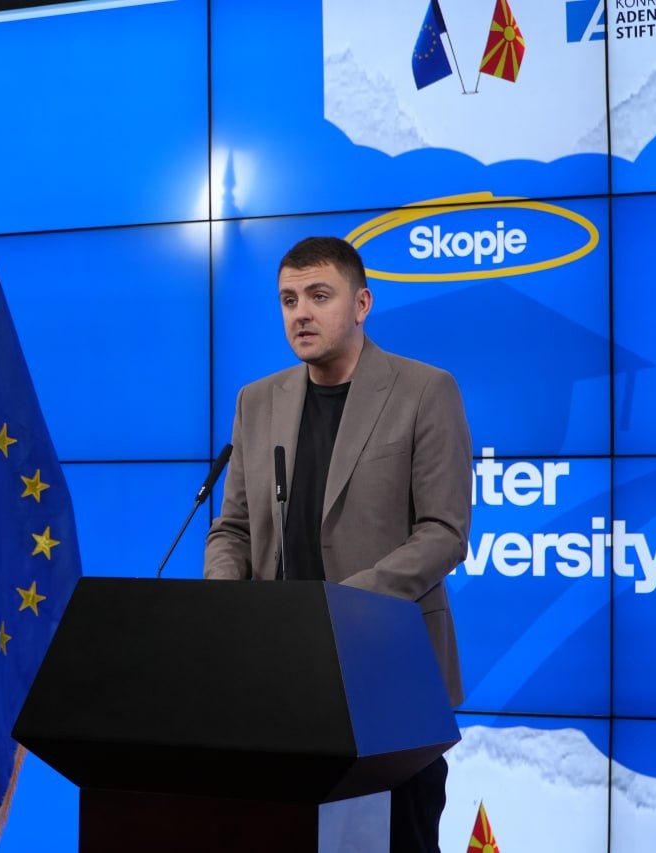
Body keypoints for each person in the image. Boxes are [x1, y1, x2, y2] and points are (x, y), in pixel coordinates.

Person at [204, 235, 471, 853]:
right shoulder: (256, 400)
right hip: (278, 676)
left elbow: (444, 531)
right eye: (289, 299)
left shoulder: (425, 390)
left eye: (319, 296)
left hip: (389, 675)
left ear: (361, 304)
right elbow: (233, 528)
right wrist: (223, 608)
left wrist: (341, 610)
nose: (301, 313)